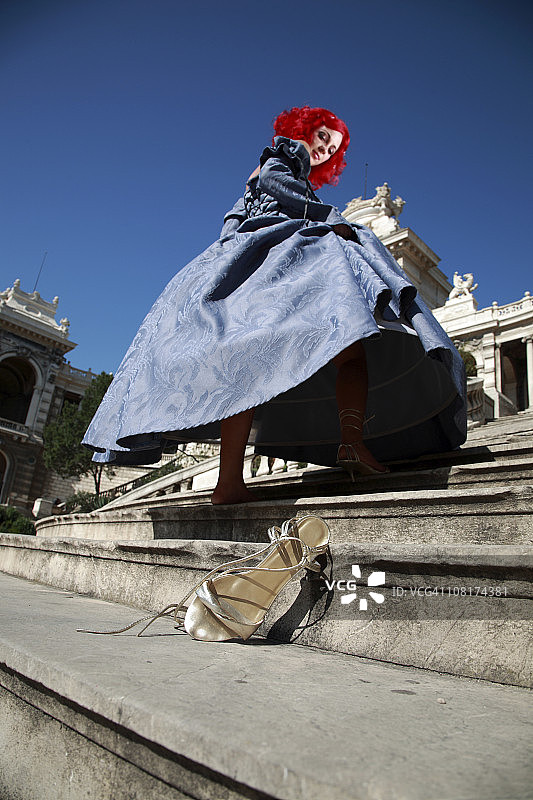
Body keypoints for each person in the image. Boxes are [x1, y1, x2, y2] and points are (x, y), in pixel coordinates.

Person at [83, 106, 466, 504]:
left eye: (330, 147)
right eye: (322, 138)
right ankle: (349, 442)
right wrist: (330, 218)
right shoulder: (287, 153)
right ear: (304, 131)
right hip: (289, 257)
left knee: (246, 374)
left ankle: (229, 481)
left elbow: (231, 223)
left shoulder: (251, 184)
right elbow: (273, 178)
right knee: (347, 342)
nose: (323, 149)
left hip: (250, 260)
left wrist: (231, 259)